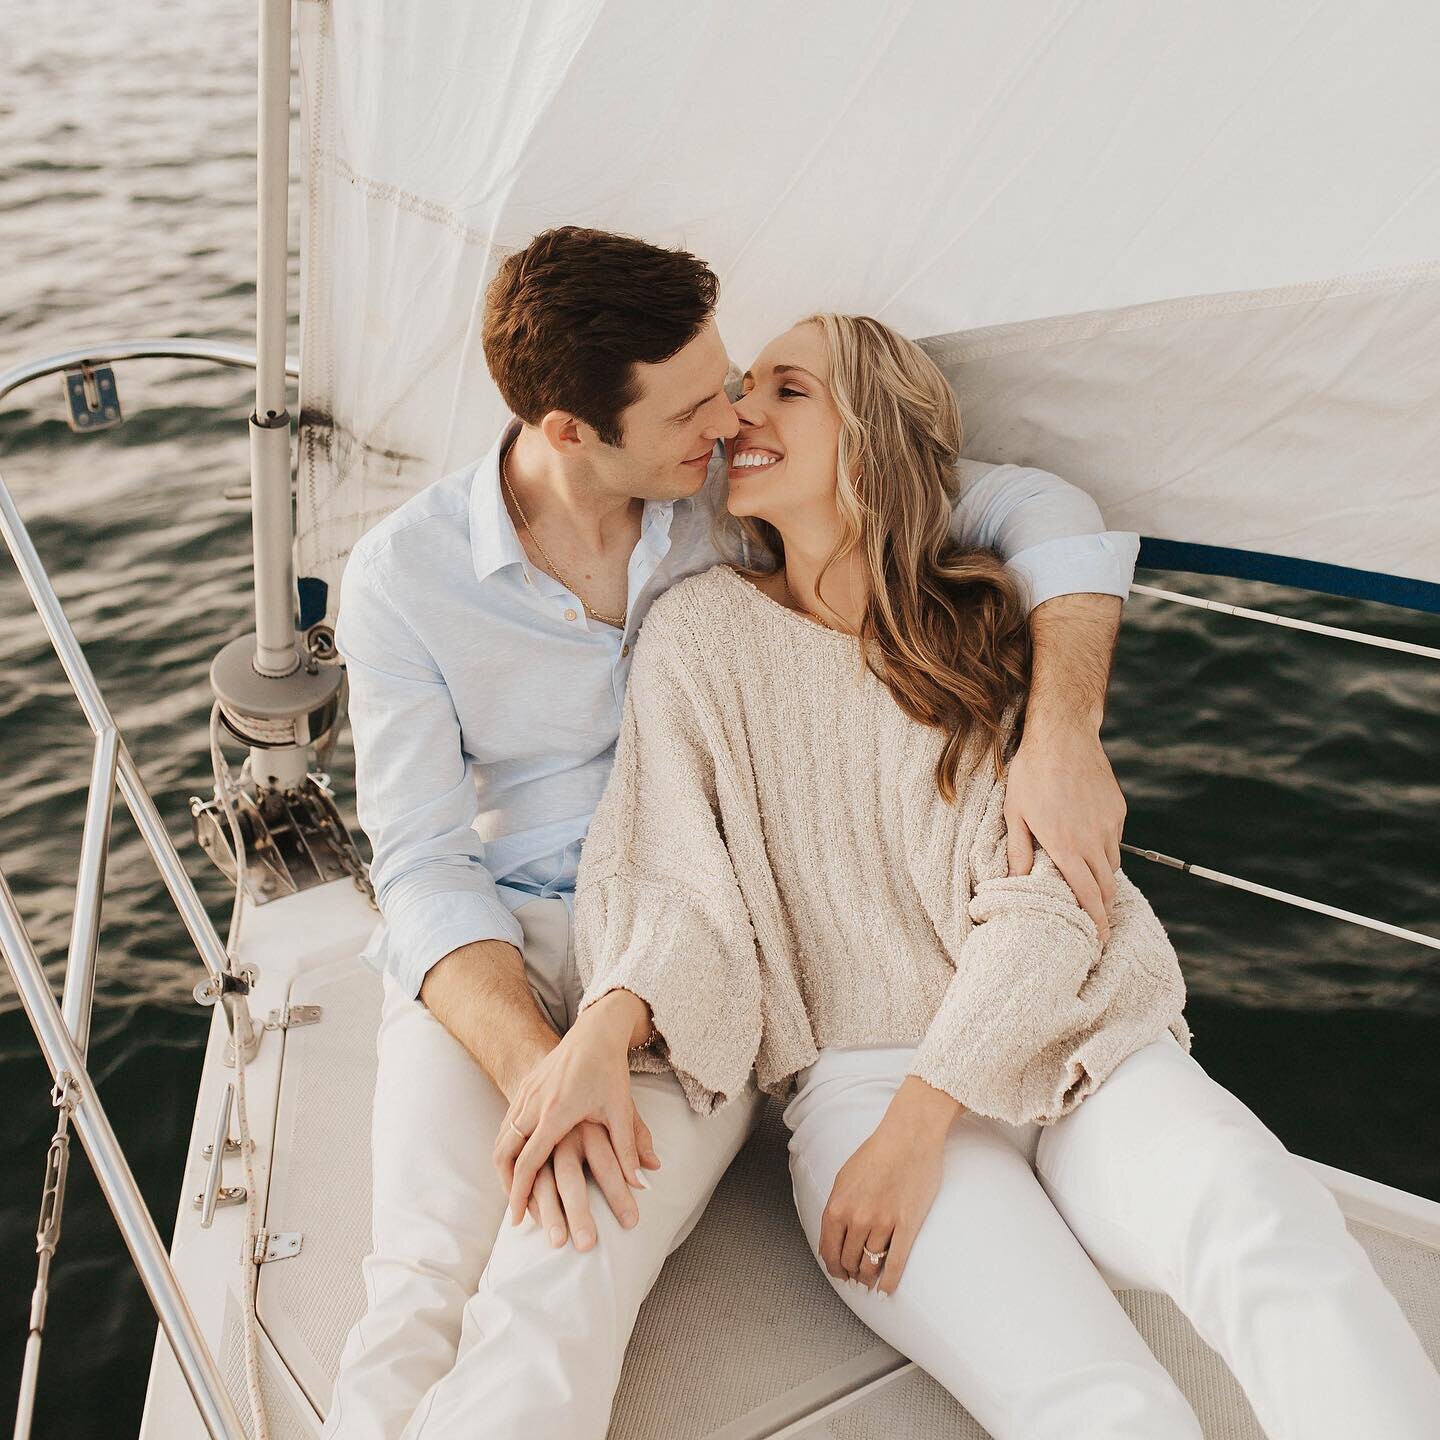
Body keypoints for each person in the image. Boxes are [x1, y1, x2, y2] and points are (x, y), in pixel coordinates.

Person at [514, 312, 1440, 1439]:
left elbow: (1054, 899)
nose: (741, 412)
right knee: (1097, 1402)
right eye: (744, 385)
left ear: (876, 440)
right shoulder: (697, 636)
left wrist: (922, 1120)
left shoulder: (984, 622)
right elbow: (669, 875)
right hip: (857, 1082)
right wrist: (605, 1029)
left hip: (1074, 1047)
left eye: (787, 390)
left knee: (1271, 1226)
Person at [326, 227, 1146, 1440]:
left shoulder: (734, 493)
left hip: (699, 950)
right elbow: (424, 865)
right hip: (496, 952)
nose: (729, 420)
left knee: (556, 1277)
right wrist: (540, 1072)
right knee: (414, 1284)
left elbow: (1038, 505)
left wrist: (1062, 731)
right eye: (694, 408)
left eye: (731, 384)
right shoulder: (403, 575)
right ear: (570, 432)